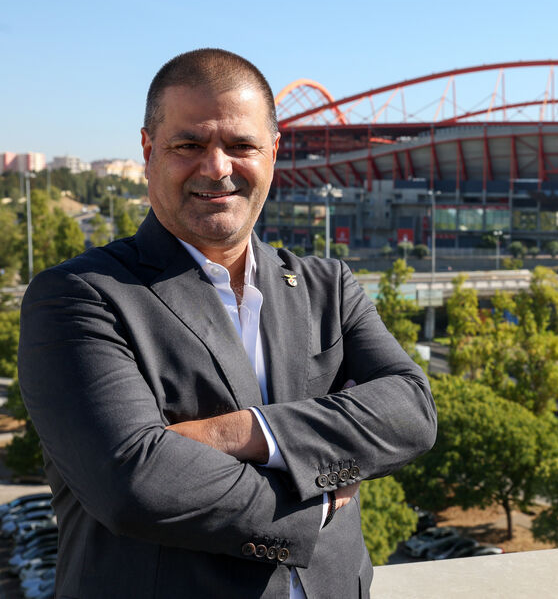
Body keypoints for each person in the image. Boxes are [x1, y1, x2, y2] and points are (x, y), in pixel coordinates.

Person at [17, 48, 437, 598]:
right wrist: (315, 493)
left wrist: (236, 433)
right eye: (189, 145)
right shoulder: (80, 295)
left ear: (274, 153)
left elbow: (411, 412)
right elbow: (134, 483)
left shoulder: (327, 287)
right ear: (148, 150)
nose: (217, 168)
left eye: (241, 146)